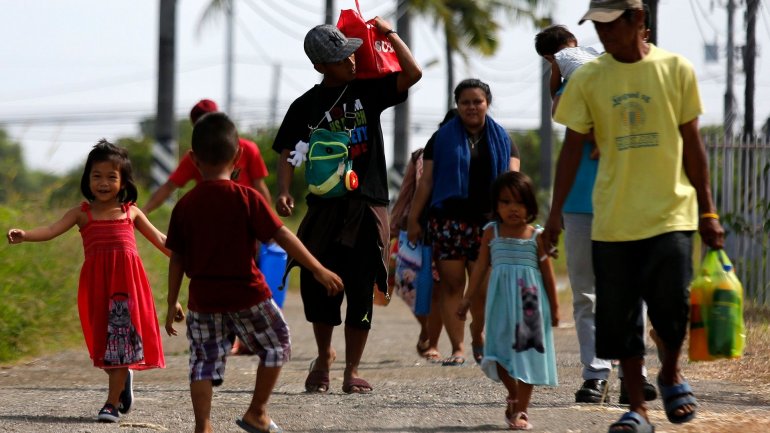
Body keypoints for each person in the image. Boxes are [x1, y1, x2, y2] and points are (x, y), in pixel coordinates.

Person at [543, 1, 725, 432]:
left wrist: (708, 209)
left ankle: (671, 372)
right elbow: (572, 149)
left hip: (670, 213)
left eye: (612, 25)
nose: (603, 35)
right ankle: (639, 410)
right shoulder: (589, 77)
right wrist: (554, 215)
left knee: (671, 307)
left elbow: (693, 145)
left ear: (638, 21)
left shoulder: (674, 69)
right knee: (618, 315)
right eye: (597, 27)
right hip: (613, 216)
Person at [163, 112, 343, 433]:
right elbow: (282, 234)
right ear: (238, 156)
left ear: (192, 159)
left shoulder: (185, 205)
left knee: (202, 363)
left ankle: (202, 426)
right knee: (277, 345)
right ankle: (256, 411)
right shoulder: (247, 197)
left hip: (202, 300)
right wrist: (316, 267)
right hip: (248, 294)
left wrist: (171, 302)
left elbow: (177, 258)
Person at [271, 21, 421, 394]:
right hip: (323, 209)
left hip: (368, 205)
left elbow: (413, 74)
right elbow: (287, 150)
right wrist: (284, 190)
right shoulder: (305, 105)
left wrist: (390, 35)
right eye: (340, 58)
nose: (351, 60)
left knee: (361, 285)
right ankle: (324, 356)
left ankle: (351, 370)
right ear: (320, 67)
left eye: (351, 52)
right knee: (319, 287)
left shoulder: (367, 91)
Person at [535, 23, 658, 405]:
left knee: (629, 292)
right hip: (579, 204)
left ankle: (632, 372)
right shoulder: (576, 79)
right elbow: (562, 113)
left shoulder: (631, 78)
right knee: (587, 294)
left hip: (625, 200)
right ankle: (595, 373)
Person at [7, 140, 169, 423]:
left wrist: (195, 257)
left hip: (126, 289)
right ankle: (123, 379)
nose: (103, 183)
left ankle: (111, 404)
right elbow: (51, 229)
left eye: (111, 177)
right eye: (97, 176)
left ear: (123, 181)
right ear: (87, 179)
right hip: (97, 288)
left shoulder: (130, 212)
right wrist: (26, 235)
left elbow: (163, 241)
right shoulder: (82, 213)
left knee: (119, 341)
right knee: (103, 346)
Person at [406, 78, 520, 366]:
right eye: (465, 102)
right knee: (451, 286)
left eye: (477, 101)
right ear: (457, 106)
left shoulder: (504, 139)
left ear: (487, 104)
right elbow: (427, 181)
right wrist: (414, 220)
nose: (471, 107)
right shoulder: (440, 139)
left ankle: (478, 334)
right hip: (448, 222)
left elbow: (512, 183)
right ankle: (457, 348)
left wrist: (515, 221)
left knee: (481, 288)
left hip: (487, 224)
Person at [457, 171, 559, 431]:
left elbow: (548, 276)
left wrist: (555, 309)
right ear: (496, 206)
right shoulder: (492, 233)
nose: (513, 208)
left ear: (530, 206)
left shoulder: (537, 236)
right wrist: (467, 299)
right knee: (499, 354)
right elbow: (480, 267)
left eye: (520, 202)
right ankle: (513, 395)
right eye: (505, 202)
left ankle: (521, 410)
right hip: (500, 302)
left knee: (527, 355)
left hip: (530, 304)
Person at [142, 98, 272, 213]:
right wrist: (143, 212)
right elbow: (169, 187)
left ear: (237, 155)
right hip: (213, 216)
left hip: (246, 214)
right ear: (195, 159)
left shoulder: (248, 149)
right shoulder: (193, 159)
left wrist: (267, 218)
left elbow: (259, 186)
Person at [389, 145, 444, 362]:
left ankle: (434, 342)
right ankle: (426, 328)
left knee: (438, 290)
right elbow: (406, 191)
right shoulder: (420, 156)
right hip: (416, 232)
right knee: (408, 285)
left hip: (447, 230)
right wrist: (393, 227)